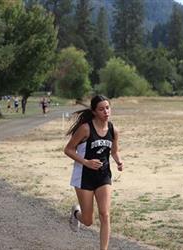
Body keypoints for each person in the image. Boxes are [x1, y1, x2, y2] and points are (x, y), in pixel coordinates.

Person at [64, 95, 124, 250]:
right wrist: (86, 162)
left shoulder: (113, 129)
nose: (106, 111)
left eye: (107, 108)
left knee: (105, 214)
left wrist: (118, 161)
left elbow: (114, 151)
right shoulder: (86, 129)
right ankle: (76, 213)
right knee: (88, 220)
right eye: (101, 109)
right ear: (94, 111)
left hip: (103, 176)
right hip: (84, 176)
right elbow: (68, 149)